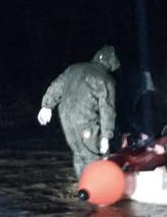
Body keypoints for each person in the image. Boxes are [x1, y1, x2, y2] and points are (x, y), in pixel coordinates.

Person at [37, 45, 120, 177]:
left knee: (79, 152)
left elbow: (57, 85)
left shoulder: (73, 68)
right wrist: (106, 136)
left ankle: (82, 186)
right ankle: (96, 190)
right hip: (84, 119)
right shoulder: (106, 79)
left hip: (65, 116)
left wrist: (46, 106)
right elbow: (107, 110)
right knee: (94, 153)